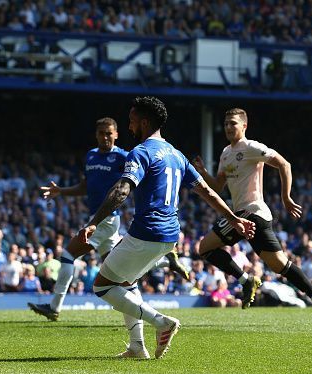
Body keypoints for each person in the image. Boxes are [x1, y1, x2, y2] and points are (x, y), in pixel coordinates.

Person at [77, 97, 255, 359]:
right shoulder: (176, 154)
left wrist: (93, 222)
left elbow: (122, 190)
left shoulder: (141, 152)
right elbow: (206, 191)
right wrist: (232, 217)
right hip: (170, 234)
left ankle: (162, 322)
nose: (129, 126)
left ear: (144, 122)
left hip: (147, 231)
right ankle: (137, 346)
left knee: (102, 286)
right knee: (126, 282)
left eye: (132, 121)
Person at [29, 117, 188, 321]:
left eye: (109, 133)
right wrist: (61, 191)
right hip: (99, 217)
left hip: (107, 219)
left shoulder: (124, 156)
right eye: (101, 133)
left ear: (116, 134)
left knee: (68, 255)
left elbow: (132, 183)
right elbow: (85, 187)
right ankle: (165, 263)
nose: (105, 137)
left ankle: (54, 306)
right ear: (96, 135)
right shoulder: (91, 156)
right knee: (116, 269)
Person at [192, 108, 312, 326]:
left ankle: (246, 281)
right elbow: (218, 186)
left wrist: (286, 197)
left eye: (233, 123)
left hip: (252, 212)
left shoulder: (252, 147)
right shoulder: (226, 153)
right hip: (245, 213)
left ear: (244, 126)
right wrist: (203, 173)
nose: (229, 127)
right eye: (226, 123)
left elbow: (284, 164)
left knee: (205, 247)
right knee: (280, 265)